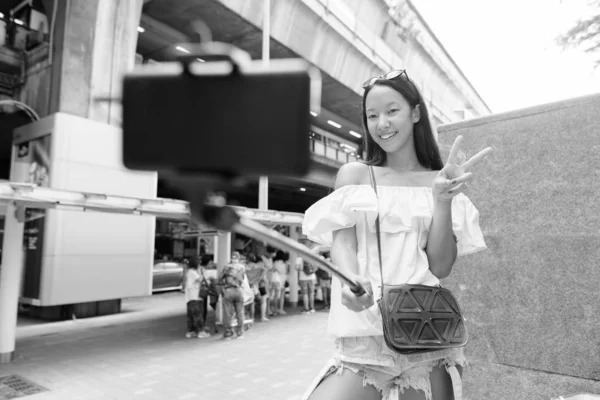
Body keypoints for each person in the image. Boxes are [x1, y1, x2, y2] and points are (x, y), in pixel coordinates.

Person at [300, 69, 492, 400]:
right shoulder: (355, 174)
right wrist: (351, 279)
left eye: (392, 111)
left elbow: (441, 267)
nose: (382, 124)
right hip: (364, 337)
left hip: (425, 339)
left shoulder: (439, 181)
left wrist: (442, 200)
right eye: (372, 115)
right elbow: (343, 244)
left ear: (415, 113)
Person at [219, 252, 247, 340]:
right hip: (239, 291)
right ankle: (240, 332)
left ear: (231, 258)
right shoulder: (242, 267)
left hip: (228, 291)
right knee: (240, 313)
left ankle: (228, 333)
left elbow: (220, 279)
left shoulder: (226, 267)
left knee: (227, 313)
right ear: (239, 258)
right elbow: (242, 279)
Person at [184, 258, 210, 339]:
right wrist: (201, 272)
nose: (199, 265)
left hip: (190, 297)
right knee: (198, 315)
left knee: (191, 315)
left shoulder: (189, 272)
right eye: (198, 264)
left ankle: (191, 332)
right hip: (195, 296)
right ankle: (201, 332)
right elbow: (200, 279)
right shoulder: (193, 272)